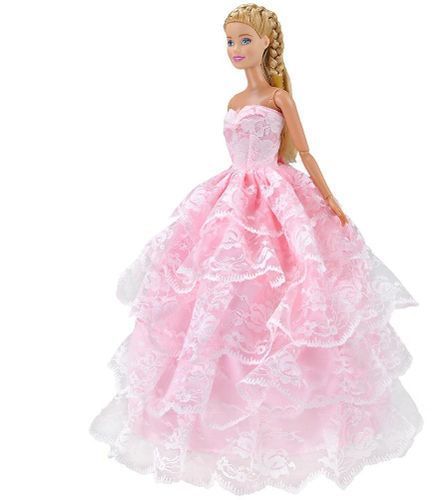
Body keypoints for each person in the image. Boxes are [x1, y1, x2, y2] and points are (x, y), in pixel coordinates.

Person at [89, 3, 423, 494]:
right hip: (230, 198)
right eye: (230, 41)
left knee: (286, 285)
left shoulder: (278, 98)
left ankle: (289, 410)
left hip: (278, 195)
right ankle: (218, 415)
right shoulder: (233, 99)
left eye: (245, 39)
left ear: (267, 42)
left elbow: (304, 151)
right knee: (217, 296)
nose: (235, 49)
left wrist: (330, 200)